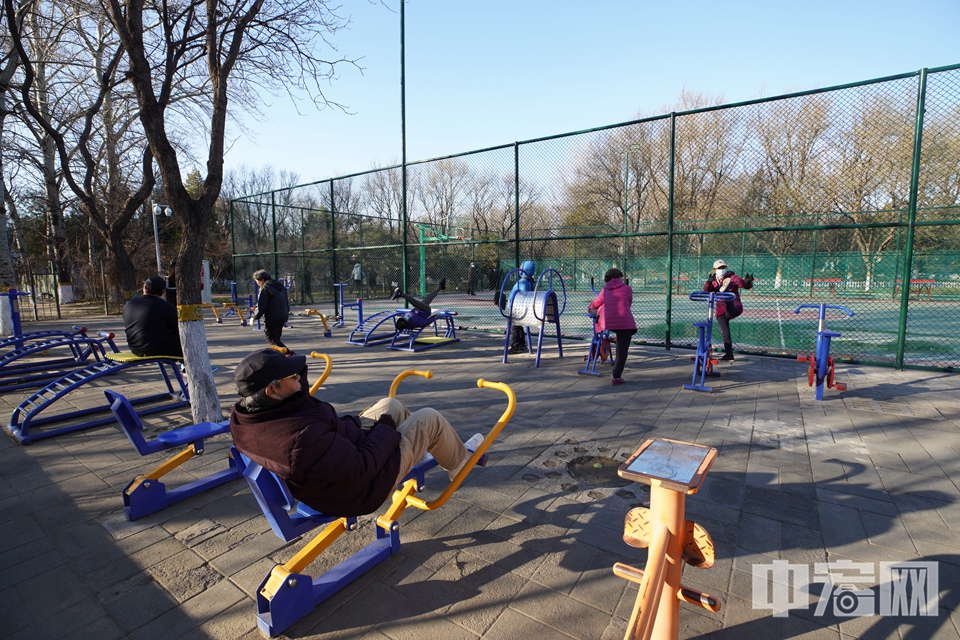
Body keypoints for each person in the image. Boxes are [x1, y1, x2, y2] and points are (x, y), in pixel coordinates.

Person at [229, 348, 483, 517]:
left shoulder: (249, 415)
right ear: (272, 390)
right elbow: (362, 466)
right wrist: (385, 430)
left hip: (338, 458)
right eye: (293, 376)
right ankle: (458, 463)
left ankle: (419, 450)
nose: (299, 380)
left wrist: (290, 366)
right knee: (429, 419)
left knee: (389, 405)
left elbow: (301, 401)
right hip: (360, 490)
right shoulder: (298, 440)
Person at [588, 268, 637, 386]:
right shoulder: (627, 289)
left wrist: (595, 307)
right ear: (619, 277)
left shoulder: (605, 290)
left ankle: (604, 345)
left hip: (607, 322)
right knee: (622, 350)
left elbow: (594, 304)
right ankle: (616, 376)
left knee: (605, 334)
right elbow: (628, 303)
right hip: (625, 322)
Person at [702, 259, 754, 361]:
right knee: (725, 333)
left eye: (724, 267)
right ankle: (729, 354)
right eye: (720, 268)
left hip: (735, 306)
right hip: (721, 310)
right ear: (715, 269)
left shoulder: (732, 277)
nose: (722, 269)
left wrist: (748, 282)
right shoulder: (713, 280)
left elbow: (743, 284)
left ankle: (727, 294)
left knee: (729, 301)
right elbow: (706, 290)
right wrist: (708, 283)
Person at [123, 275, 183, 357]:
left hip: (134, 348)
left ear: (145, 287)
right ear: (162, 292)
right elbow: (177, 328)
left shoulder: (129, 304)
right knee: (187, 338)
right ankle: (187, 365)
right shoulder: (165, 306)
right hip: (155, 348)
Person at [252, 269, 290, 350]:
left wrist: (254, 317)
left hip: (272, 317)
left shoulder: (266, 287)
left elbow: (261, 305)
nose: (257, 283)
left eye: (257, 281)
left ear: (262, 279)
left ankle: (289, 354)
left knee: (270, 338)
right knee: (276, 338)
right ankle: (279, 358)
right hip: (283, 315)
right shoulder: (279, 285)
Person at [507, 261, 536, 354]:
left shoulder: (523, 282)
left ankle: (516, 345)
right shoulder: (530, 281)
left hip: (517, 308)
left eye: (521, 266)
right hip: (520, 308)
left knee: (514, 326)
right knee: (518, 326)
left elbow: (522, 294)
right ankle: (522, 344)